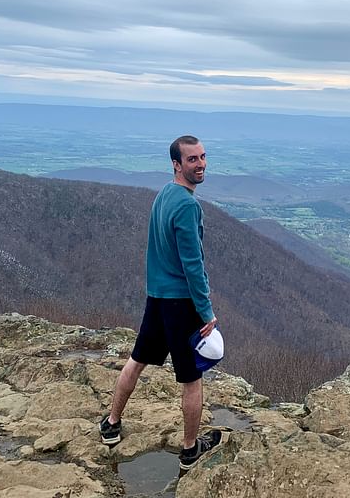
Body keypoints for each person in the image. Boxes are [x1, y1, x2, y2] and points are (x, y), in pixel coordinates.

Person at [99, 135, 222, 471]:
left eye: (203, 157)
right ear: (176, 164)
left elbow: (157, 250)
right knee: (191, 378)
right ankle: (189, 450)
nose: (201, 164)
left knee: (137, 360)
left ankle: (111, 424)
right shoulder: (186, 205)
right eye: (192, 159)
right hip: (181, 304)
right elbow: (192, 263)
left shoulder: (164, 195)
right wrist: (206, 310)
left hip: (157, 297)